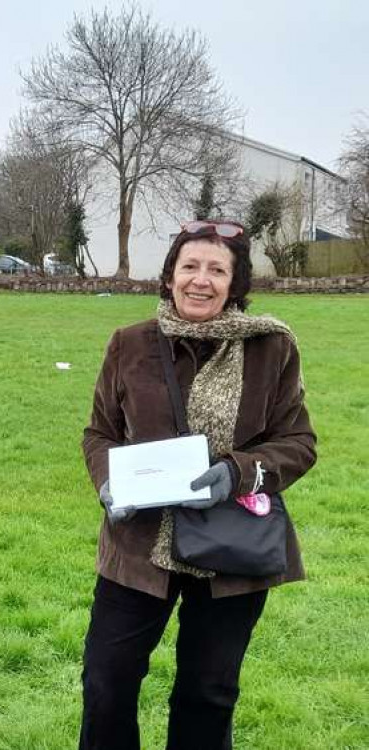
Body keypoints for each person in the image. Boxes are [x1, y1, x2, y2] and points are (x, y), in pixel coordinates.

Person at [79, 219, 316, 749]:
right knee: (106, 682)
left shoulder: (270, 348)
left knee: (207, 693)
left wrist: (237, 472)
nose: (200, 280)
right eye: (189, 267)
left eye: (217, 269)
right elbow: (100, 432)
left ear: (235, 283)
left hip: (232, 545)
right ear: (169, 277)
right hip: (137, 544)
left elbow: (298, 442)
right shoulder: (130, 343)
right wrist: (108, 481)